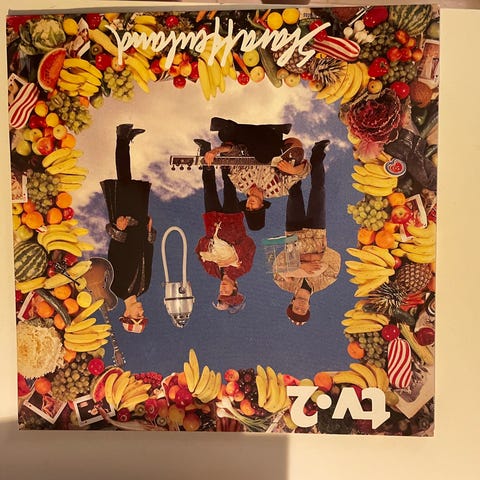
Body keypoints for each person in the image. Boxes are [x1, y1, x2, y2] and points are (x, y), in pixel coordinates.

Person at [272, 140, 341, 326]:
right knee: (318, 191)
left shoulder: (283, 283)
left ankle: (292, 157)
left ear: (292, 304)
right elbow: (334, 258)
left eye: (296, 310)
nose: (300, 308)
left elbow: (278, 260)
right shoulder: (324, 282)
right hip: (316, 232)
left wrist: (305, 264)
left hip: (293, 234)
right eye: (303, 311)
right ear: (309, 307)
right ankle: (317, 154)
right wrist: (296, 265)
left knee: (294, 192)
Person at [203, 117, 311, 231]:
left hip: (247, 143)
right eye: (254, 208)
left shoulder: (239, 183)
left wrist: (216, 151)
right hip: (271, 142)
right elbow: (305, 171)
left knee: (225, 136)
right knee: (265, 157)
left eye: (248, 208)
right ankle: (266, 130)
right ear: (262, 206)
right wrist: (293, 170)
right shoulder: (279, 190)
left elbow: (234, 154)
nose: (250, 205)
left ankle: (236, 129)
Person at [100, 124, 155, 330]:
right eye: (143, 316)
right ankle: (126, 140)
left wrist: (119, 230)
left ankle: (121, 137)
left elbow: (114, 256)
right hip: (139, 230)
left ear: (126, 315)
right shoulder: (144, 288)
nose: (142, 312)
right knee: (131, 184)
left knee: (124, 182)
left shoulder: (117, 288)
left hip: (125, 227)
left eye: (137, 316)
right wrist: (149, 234)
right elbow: (148, 257)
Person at [195, 141, 256, 314]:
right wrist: (232, 254)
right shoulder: (243, 267)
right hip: (232, 221)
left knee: (209, 190)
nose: (222, 288)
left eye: (221, 292)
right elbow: (250, 244)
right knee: (229, 187)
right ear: (235, 287)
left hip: (213, 223)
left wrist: (209, 248)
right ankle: (225, 154)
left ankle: (205, 150)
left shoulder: (211, 270)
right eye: (226, 291)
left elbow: (199, 248)